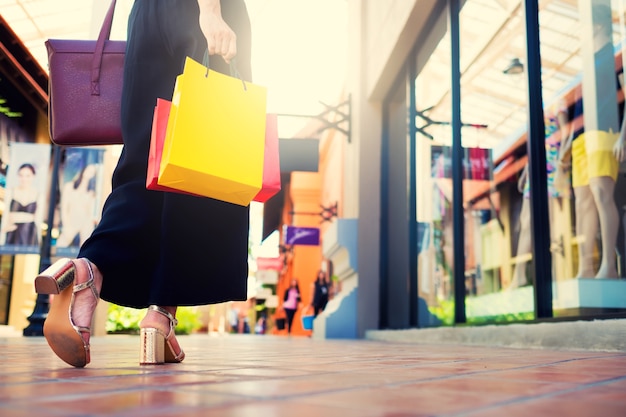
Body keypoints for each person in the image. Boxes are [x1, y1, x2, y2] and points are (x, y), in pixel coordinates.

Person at [34, 0, 253, 368]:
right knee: (207, 159)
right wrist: (212, 12)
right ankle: (160, 314)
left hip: (146, 17)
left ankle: (92, 269)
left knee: (144, 162)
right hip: (201, 12)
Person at [558, 3, 626, 279]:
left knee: (600, 194)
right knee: (583, 201)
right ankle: (586, 266)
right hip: (580, 139)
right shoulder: (579, 68)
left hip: (605, 130)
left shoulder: (614, 57)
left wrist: (623, 134)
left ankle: (607, 264)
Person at [56, 164, 98, 248]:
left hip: (85, 223)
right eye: (88, 170)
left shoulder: (91, 192)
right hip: (71, 221)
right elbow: (64, 208)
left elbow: (90, 211)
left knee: (84, 249)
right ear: (84, 170)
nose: (89, 173)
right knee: (60, 246)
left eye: (92, 172)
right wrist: (66, 225)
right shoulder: (69, 186)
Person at [2, 163, 42, 246]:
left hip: (29, 233)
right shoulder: (11, 191)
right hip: (12, 231)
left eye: (27, 176)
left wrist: (40, 242)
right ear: (18, 176)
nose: (24, 179)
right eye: (21, 175)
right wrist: (3, 230)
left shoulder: (38, 194)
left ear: (33, 176)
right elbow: (5, 214)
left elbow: (38, 219)